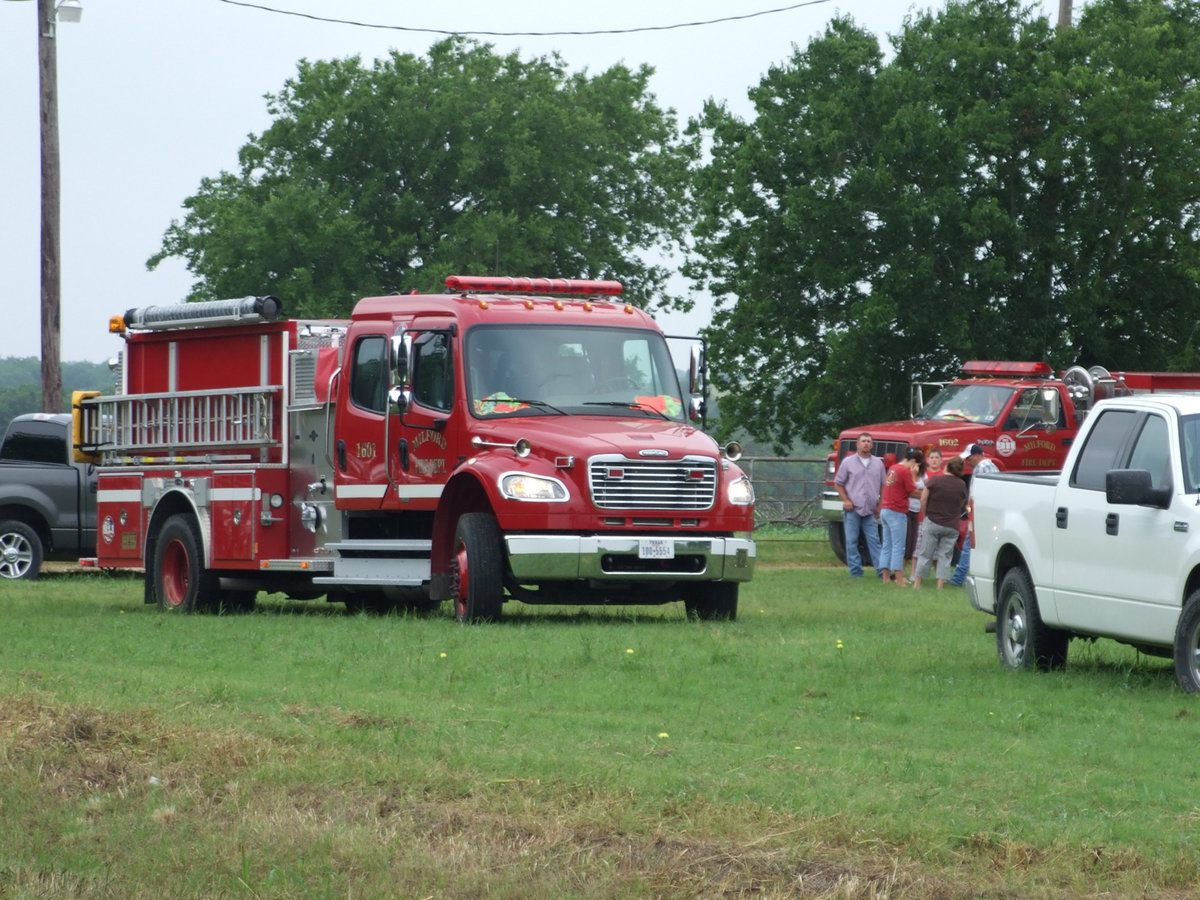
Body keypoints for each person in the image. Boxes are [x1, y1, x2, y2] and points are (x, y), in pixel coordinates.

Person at [833, 432, 886, 578]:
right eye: (863, 441)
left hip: (870, 509)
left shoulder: (878, 463)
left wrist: (880, 504)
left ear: (872, 445)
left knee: (874, 541)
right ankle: (855, 571)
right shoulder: (848, 462)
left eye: (869, 441)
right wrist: (846, 501)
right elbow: (838, 483)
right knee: (851, 541)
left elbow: (883, 485)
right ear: (857, 444)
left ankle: (882, 571)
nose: (866, 444)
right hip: (853, 509)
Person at [912, 455, 968, 589]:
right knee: (945, 556)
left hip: (933, 521)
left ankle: (917, 582)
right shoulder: (961, 484)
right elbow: (961, 503)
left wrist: (926, 515)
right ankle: (940, 585)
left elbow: (923, 499)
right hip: (952, 525)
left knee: (925, 553)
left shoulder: (934, 480)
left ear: (947, 466)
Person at [949, 444, 999, 586]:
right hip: (987, 514)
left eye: (969, 458)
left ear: (977, 455)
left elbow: (980, 493)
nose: (967, 461)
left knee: (968, 546)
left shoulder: (981, 468)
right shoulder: (992, 466)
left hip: (980, 514)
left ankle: (957, 579)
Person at [880, 448, 921, 584]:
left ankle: (885, 576)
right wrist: (927, 494)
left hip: (885, 509)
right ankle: (899, 578)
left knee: (887, 544)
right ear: (914, 461)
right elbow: (912, 491)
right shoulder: (904, 471)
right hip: (897, 511)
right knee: (899, 546)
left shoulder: (893, 468)